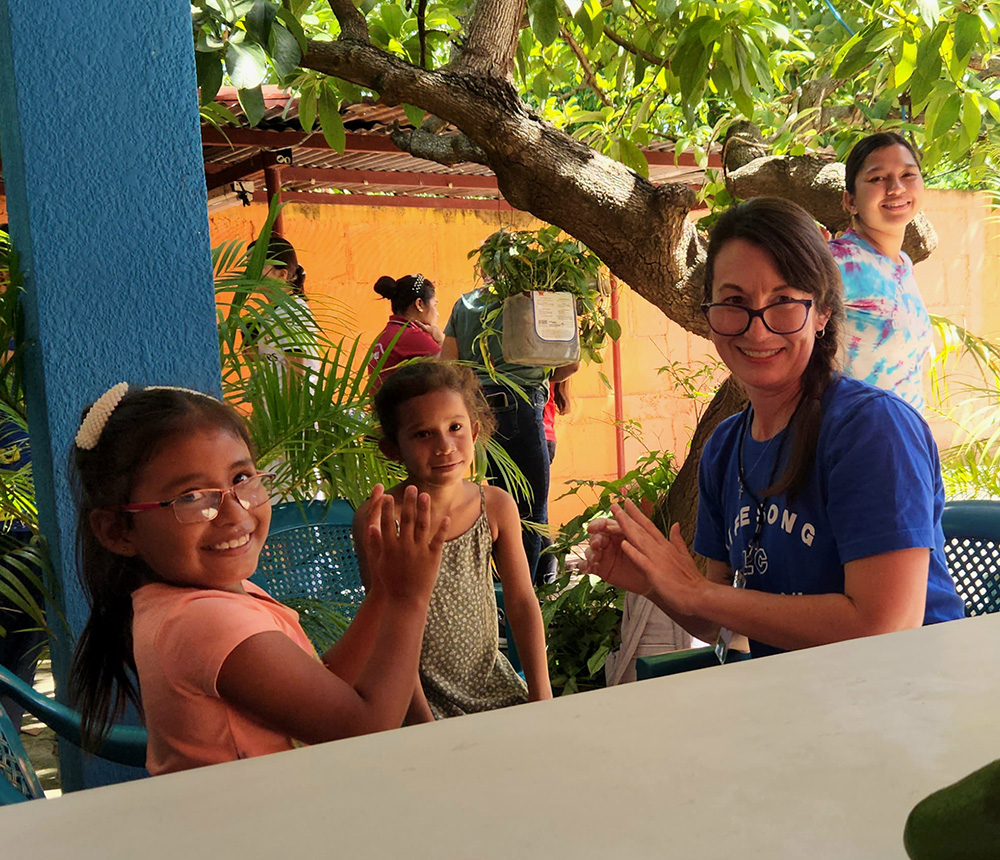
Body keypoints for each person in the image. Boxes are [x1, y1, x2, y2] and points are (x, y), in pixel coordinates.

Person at [585, 197, 964, 659]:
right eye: (734, 302)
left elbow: (884, 626)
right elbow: (719, 618)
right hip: (800, 701)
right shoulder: (725, 448)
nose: (758, 330)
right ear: (709, 314)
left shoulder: (871, 430)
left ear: (822, 313)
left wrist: (700, 593)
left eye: (783, 301)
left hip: (910, 696)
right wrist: (655, 583)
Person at [68, 383, 447, 775]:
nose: (234, 512)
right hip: (255, 830)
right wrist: (409, 599)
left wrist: (383, 591)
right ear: (117, 531)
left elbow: (323, 684)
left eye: (242, 478)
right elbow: (364, 727)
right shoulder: (204, 622)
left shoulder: (213, 598)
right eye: (192, 497)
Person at [356, 361, 551, 720]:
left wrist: (542, 697)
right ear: (392, 449)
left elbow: (522, 602)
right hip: (415, 701)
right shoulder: (382, 519)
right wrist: (423, 722)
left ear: (475, 432)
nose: (445, 446)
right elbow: (385, 628)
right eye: (422, 434)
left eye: (455, 427)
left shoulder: (494, 506)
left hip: (493, 689)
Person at [441, 288, 577, 583]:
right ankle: (524, 600)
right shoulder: (537, 301)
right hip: (522, 407)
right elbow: (572, 362)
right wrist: (539, 374)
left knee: (498, 505)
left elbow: (448, 366)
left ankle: (505, 594)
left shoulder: (464, 304)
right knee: (531, 513)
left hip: (478, 415)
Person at [830, 132, 931, 410]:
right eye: (877, 179)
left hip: (905, 440)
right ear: (850, 201)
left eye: (908, 175)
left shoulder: (903, 263)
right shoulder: (835, 262)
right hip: (858, 440)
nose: (896, 188)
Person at [367, 273, 444, 382]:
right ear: (419, 304)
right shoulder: (409, 336)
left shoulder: (388, 333)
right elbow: (451, 366)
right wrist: (441, 340)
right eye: (434, 305)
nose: (437, 313)